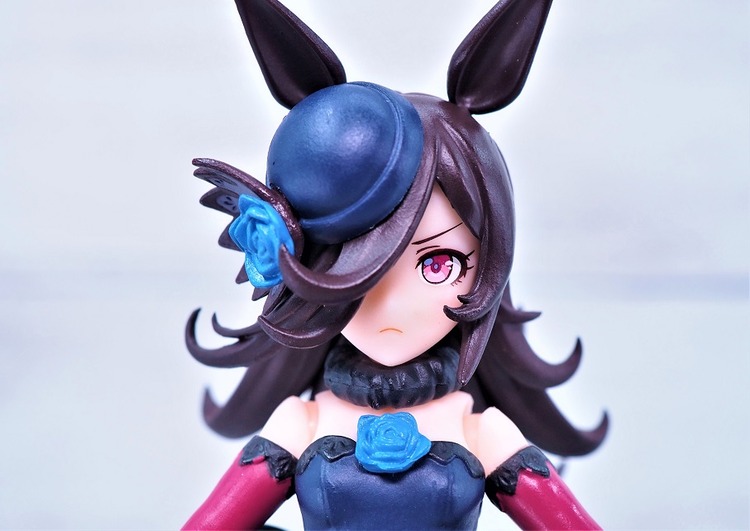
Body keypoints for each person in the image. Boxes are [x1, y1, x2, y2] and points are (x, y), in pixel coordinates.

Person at [183, 0, 608, 528]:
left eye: (439, 265)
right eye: (352, 270)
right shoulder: (300, 424)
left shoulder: (482, 432)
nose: (392, 306)